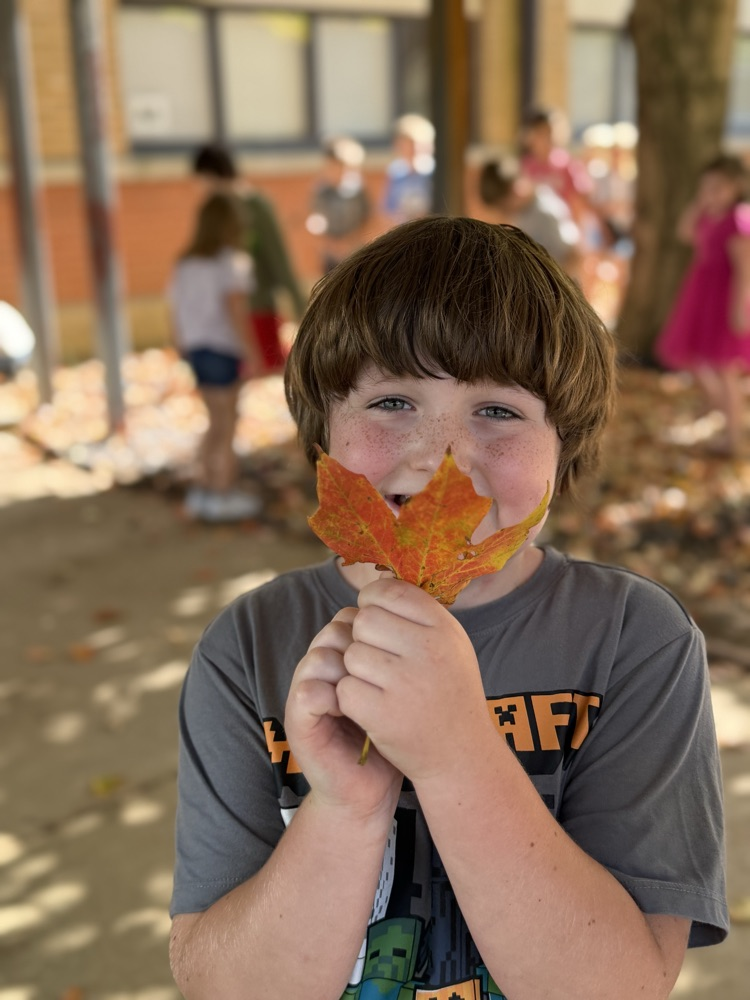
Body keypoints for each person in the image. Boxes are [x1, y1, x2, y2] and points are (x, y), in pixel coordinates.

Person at [169, 218, 728, 999]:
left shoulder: (636, 642)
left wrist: (457, 755)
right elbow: (222, 985)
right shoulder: (251, 648)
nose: (442, 457)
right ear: (321, 429)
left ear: (564, 448)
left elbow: (623, 984)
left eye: (499, 410)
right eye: (392, 398)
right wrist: (342, 808)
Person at [168, 192, 262, 522]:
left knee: (213, 423)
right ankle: (222, 493)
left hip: (196, 348)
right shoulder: (231, 262)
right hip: (224, 348)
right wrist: (253, 353)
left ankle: (204, 491)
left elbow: (175, 311)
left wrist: (182, 346)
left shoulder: (185, 263)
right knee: (226, 424)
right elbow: (236, 310)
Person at [655, 153, 750, 457]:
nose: (711, 194)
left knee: (726, 370)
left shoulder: (738, 223)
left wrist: (740, 309)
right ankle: (718, 407)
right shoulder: (708, 217)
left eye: (719, 187)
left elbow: (744, 271)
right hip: (701, 296)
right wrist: (700, 201)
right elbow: (685, 232)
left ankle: (734, 437)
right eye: (706, 187)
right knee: (698, 359)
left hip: (725, 300)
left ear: (735, 187)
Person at [192, 143, 307, 374]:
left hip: (256, 307)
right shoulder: (211, 211)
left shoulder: (254, 206)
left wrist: (301, 309)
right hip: (221, 316)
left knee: (266, 373)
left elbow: (278, 259)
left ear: (210, 174)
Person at [478, 156, 582, 280]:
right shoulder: (525, 212)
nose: (505, 212)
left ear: (515, 191)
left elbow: (574, 255)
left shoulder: (545, 212)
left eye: (504, 205)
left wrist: (550, 284)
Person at [306, 135, 372, 274]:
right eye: (333, 166)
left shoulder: (358, 191)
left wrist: (351, 242)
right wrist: (328, 243)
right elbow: (316, 218)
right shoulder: (321, 191)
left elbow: (367, 218)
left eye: (343, 167)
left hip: (354, 250)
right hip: (330, 252)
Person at [382, 113, 435, 223]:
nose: (414, 148)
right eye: (408, 143)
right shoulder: (395, 173)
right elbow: (388, 208)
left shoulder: (435, 174)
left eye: (418, 143)